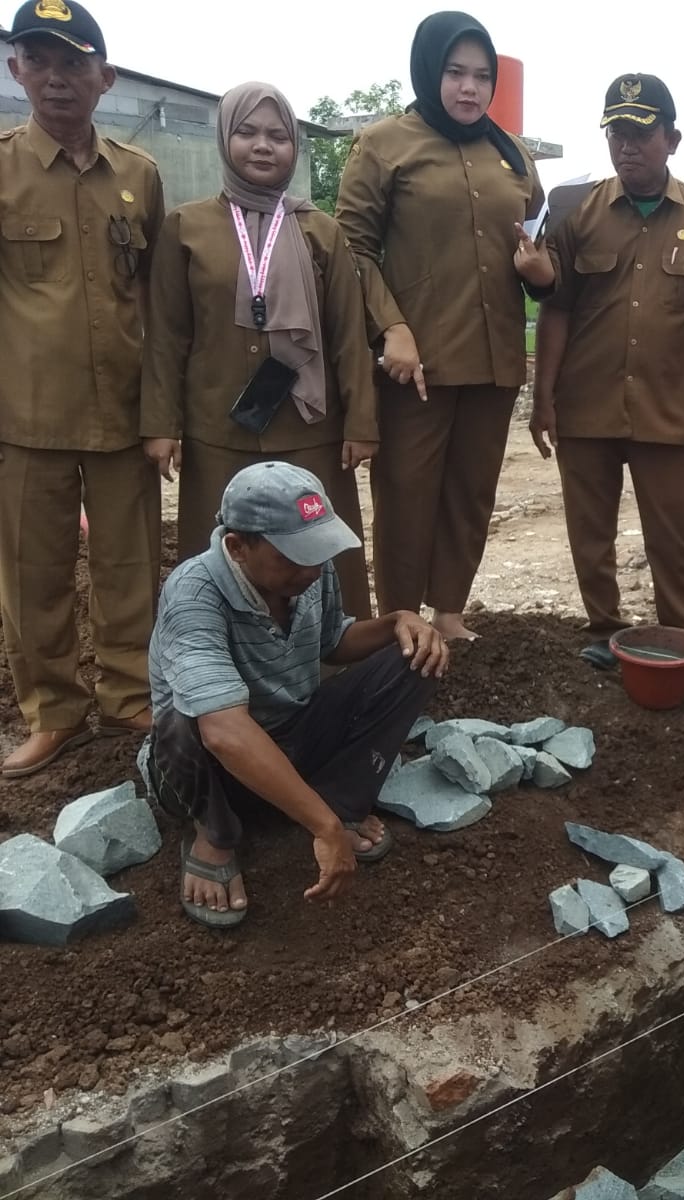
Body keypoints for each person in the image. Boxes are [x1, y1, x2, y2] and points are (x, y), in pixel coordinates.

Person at [145, 462, 447, 929]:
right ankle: (213, 833)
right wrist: (322, 828)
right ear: (237, 546)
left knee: (415, 656)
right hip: (206, 767)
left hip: (292, 733)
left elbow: (332, 642)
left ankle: (335, 799)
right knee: (187, 718)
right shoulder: (193, 594)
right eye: (291, 556)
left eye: (317, 551)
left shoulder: (309, 572)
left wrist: (397, 622)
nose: (310, 567)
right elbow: (224, 733)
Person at [336, 10, 552, 640]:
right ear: (430, 71)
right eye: (456, 72)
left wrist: (541, 271)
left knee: (470, 493)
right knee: (406, 495)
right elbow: (351, 248)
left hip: (494, 359)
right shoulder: (384, 144)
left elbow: (543, 243)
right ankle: (400, 618)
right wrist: (391, 329)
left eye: (482, 76)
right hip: (417, 363)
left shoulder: (511, 154)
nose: (469, 87)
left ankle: (451, 613)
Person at [530, 74, 684, 694]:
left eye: (641, 133)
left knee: (674, 532)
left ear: (671, 140)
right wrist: (543, 397)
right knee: (588, 527)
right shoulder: (579, 216)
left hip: (666, 410)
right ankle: (604, 631)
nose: (627, 146)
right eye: (617, 133)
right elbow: (557, 309)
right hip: (586, 404)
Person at [0, 1, 164, 778]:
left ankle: (129, 695)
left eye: (73, 62)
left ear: (106, 78)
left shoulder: (139, 176)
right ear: (15, 70)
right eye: (40, 60)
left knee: (130, 566)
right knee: (34, 578)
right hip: (25, 420)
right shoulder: (0, 170)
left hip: (125, 415)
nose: (57, 78)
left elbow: (162, 304)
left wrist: (163, 413)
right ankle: (54, 712)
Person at [142, 82, 378, 617]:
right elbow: (166, 335)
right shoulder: (187, 227)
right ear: (225, 138)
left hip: (312, 433)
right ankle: (217, 671)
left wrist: (362, 422)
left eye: (277, 135)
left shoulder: (321, 231)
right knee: (221, 561)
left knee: (325, 562)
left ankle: (337, 675)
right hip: (217, 432)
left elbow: (349, 337)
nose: (263, 146)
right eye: (247, 132)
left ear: (294, 146)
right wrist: (161, 425)